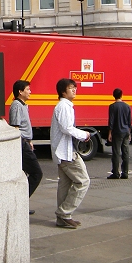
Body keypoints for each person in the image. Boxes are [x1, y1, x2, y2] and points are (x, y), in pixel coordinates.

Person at [50, 78, 91, 229]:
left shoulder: (64, 106)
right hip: (66, 152)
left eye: (75, 87)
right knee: (83, 181)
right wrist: (84, 135)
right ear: (63, 91)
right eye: (71, 88)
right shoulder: (63, 106)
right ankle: (64, 213)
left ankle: (62, 219)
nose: (74, 90)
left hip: (62, 151)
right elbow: (67, 128)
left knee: (65, 185)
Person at [9, 80, 43, 214]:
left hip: (25, 142)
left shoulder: (23, 105)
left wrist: (29, 141)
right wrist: (24, 142)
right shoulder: (17, 105)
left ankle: (19, 203)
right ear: (20, 92)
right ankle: (20, 202)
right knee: (36, 173)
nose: (30, 92)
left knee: (25, 174)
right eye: (28, 89)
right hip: (20, 144)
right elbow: (15, 128)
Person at [107, 88, 132, 179]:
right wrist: (129, 132)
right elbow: (129, 121)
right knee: (125, 152)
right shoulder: (127, 106)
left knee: (116, 153)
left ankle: (116, 173)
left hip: (117, 132)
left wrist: (110, 133)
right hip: (126, 131)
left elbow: (111, 121)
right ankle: (125, 173)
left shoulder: (112, 106)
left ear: (114, 96)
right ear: (121, 95)